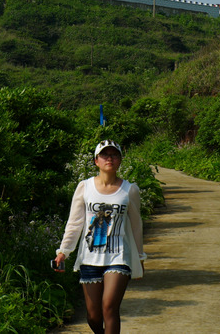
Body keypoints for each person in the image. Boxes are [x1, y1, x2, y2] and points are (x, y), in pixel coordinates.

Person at [54, 140, 146, 334]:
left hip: (119, 256)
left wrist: (139, 256)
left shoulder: (130, 190)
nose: (110, 158)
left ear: (120, 160)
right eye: (105, 155)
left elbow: (136, 225)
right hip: (90, 257)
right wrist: (63, 252)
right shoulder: (84, 187)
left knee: (109, 307)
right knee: (93, 315)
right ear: (96, 161)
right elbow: (75, 222)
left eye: (114, 154)